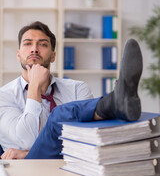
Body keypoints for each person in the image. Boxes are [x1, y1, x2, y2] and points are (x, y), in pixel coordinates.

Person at [0, 21, 143, 159]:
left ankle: (117, 102)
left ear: (53, 56)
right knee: (58, 116)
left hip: (74, 166)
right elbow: (27, 139)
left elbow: (86, 139)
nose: (34, 49)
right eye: (27, 43)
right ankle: (115, 101)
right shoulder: (4, 96)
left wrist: (25, 153)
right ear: (18, 55)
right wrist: (35, 85)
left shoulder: (77, 88)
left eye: (43, 44)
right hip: (27, 172)